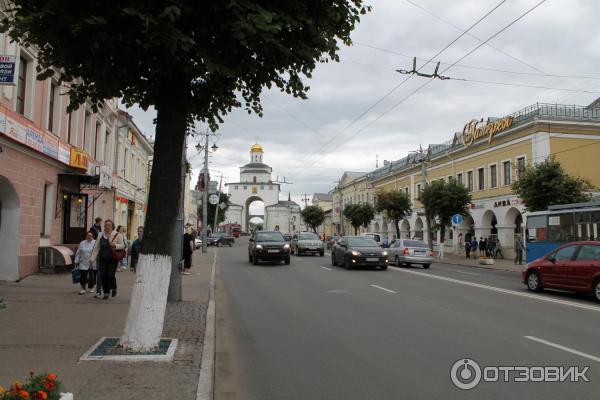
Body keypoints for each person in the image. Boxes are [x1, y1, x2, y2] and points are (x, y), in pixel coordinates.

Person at [90, 219, 125, 299]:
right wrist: (92, 258)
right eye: (106, 225)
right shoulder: (100, 234)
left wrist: (115, 245)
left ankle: (114, 287)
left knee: (110, 275)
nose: (107, 226)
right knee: (103, 275)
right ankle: (106, 293)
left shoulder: (117, 235)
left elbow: (123, 246)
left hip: (112, 259)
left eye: (109, 225)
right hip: (103, 258)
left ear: (112, 226)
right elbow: (96, 247)